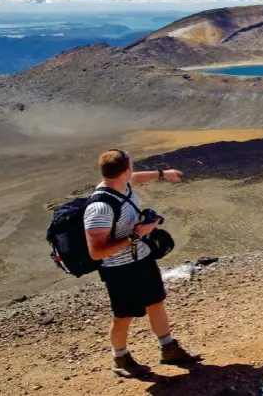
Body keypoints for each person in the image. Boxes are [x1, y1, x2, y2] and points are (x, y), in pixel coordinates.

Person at [84, 149, 202, 378]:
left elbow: (136, 178)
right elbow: (96, 253)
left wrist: (162, 173)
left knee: (156, 301)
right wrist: (137, 234)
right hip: (120, 269)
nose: (133, 170)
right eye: (131, 165)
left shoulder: (123, 184)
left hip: (141, 258)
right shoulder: (99, 208)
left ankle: (169, 349)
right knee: (124, 315)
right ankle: (120, 358)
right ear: (124, 169)